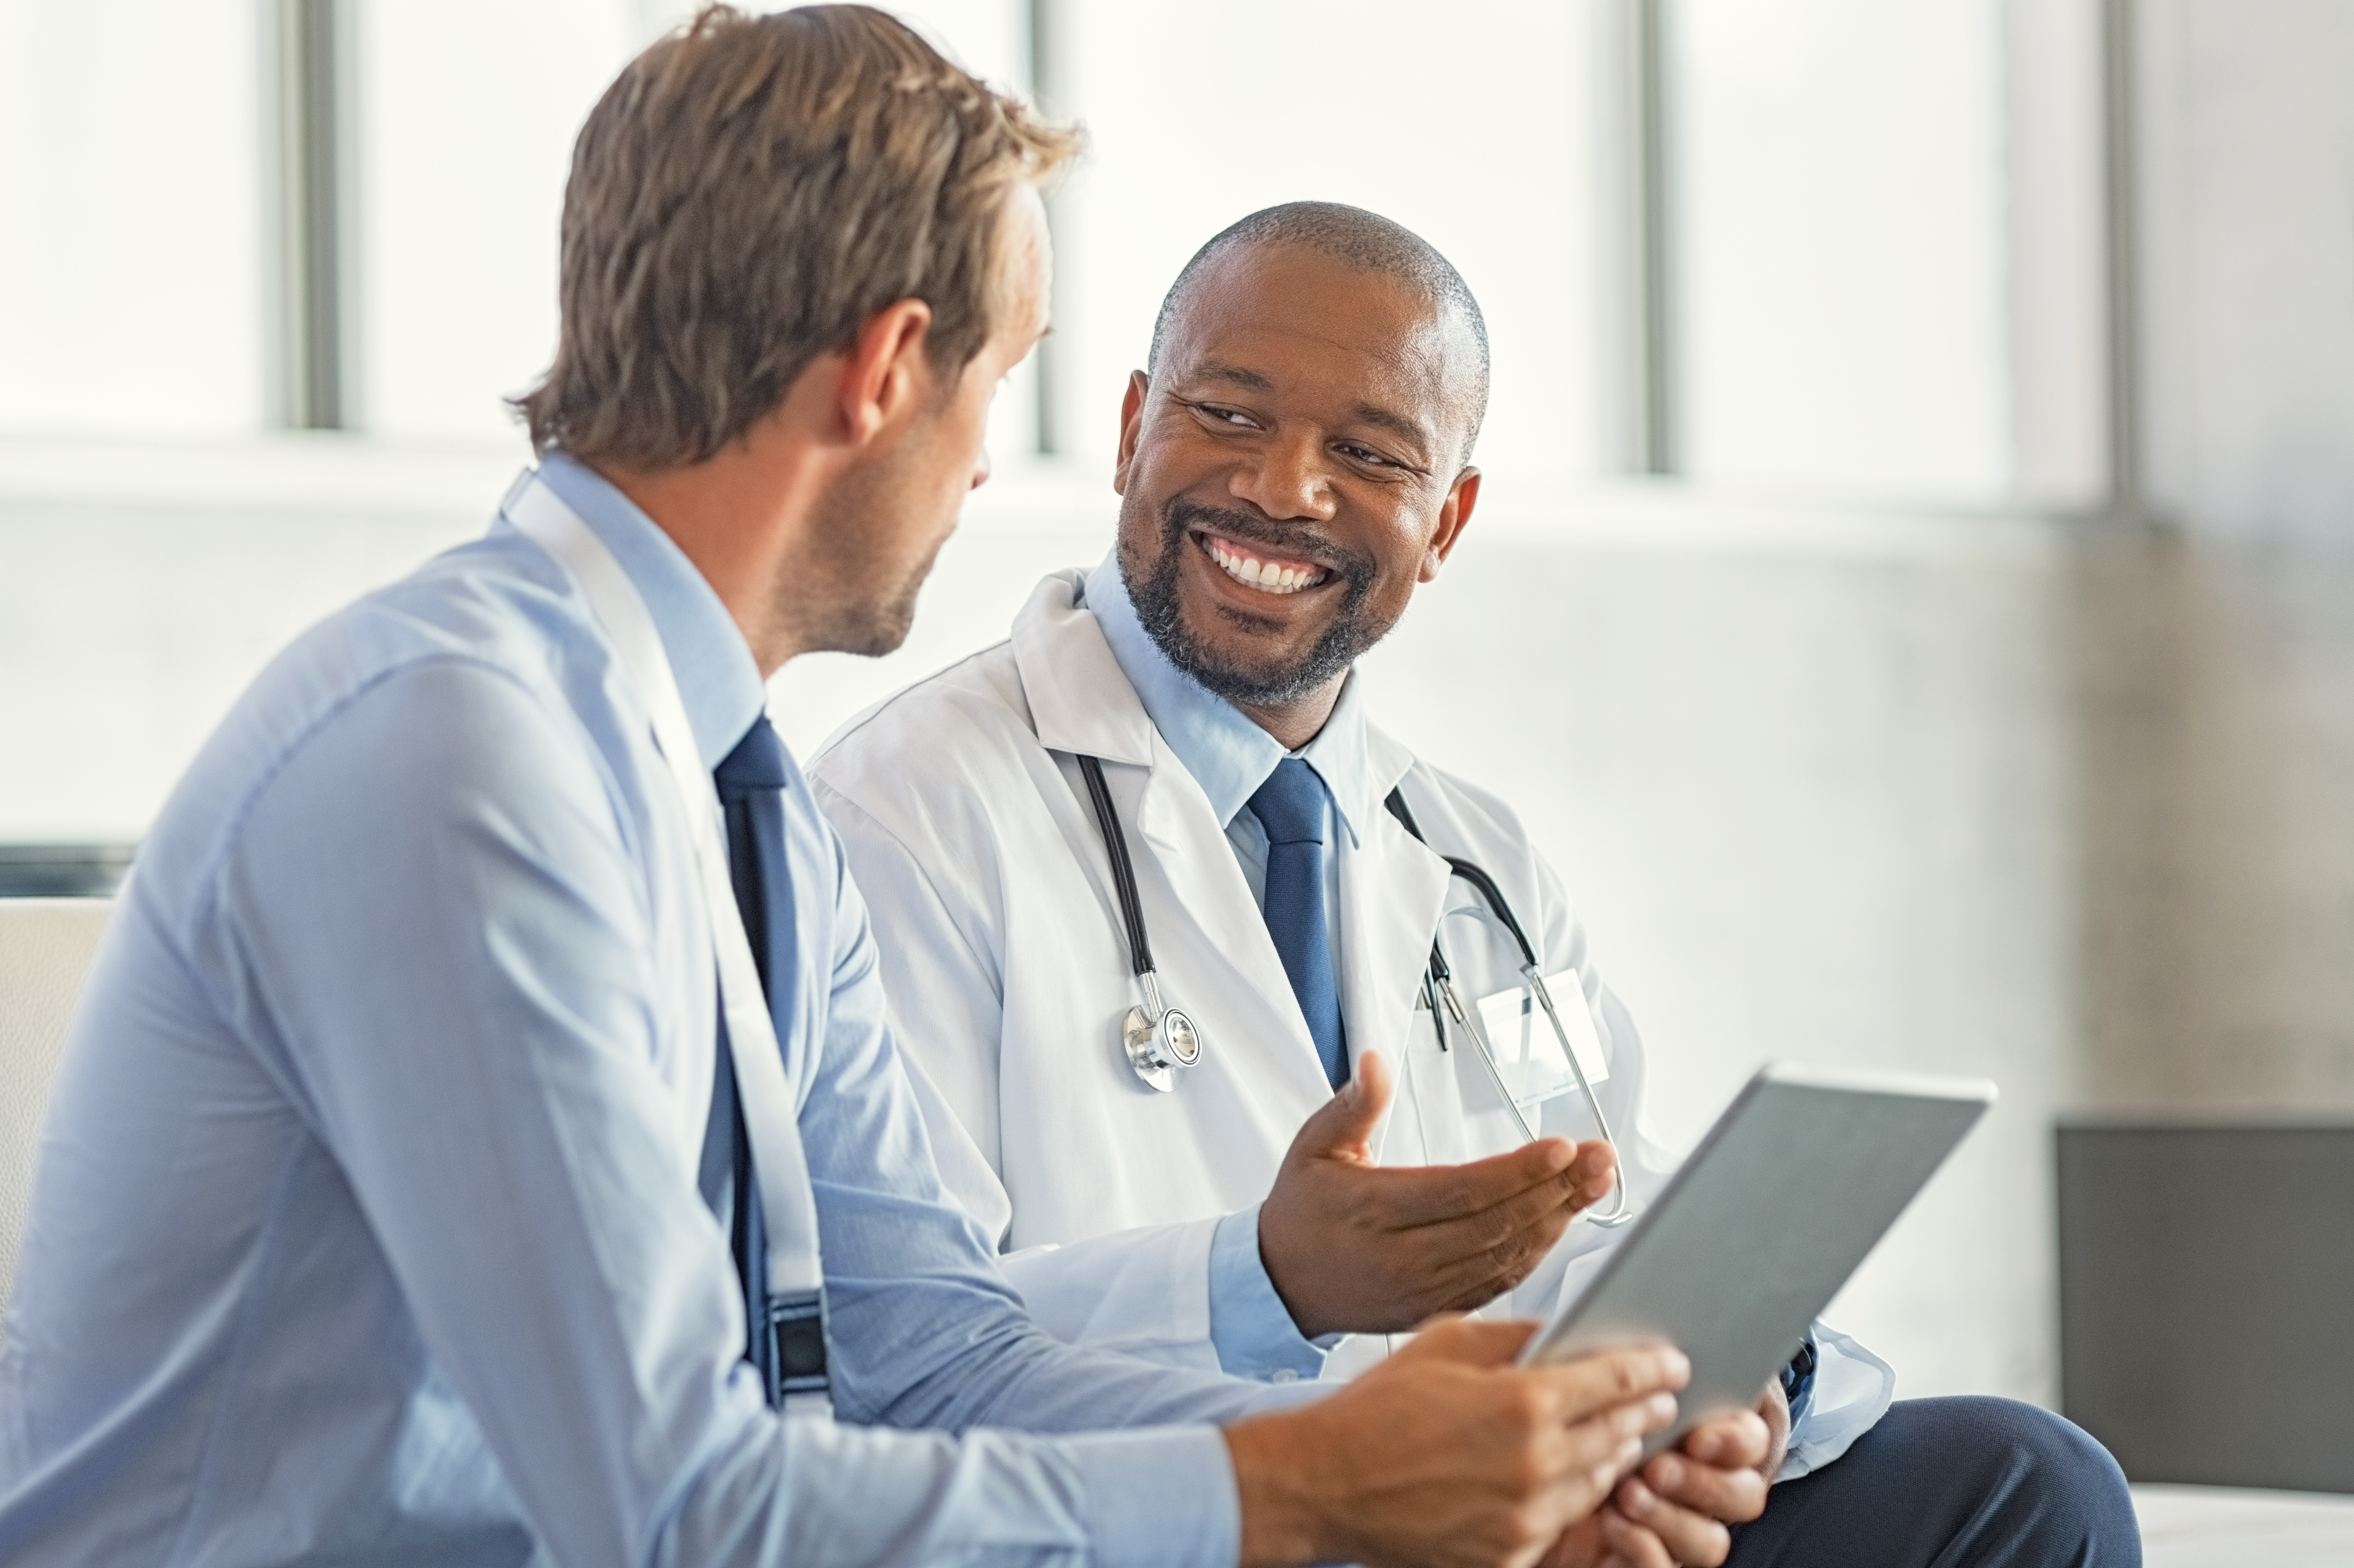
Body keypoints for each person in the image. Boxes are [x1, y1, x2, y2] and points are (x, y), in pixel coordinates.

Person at [0, 13, 1708, 1567]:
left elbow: (925, 1361)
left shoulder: (744, 811)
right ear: (890, 370)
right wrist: (1315, 1493)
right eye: (1001, 378)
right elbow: (675, 1507)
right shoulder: (459, 761)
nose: (987, 462)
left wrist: (1414, 1463)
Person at [808, 202, 2143, 1566]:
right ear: (1132, 429)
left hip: (1500, 1514)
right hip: (1197, 1523)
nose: (1283, 488)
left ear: (1444, 520)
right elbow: (892, 1357)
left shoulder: (1470, 866)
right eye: (1228, 415)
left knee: (2021, 1485)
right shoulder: (906, 813)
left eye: (1367, 454)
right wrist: (1264, 1282)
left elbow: (1601, 1212)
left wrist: (1738, 1397)